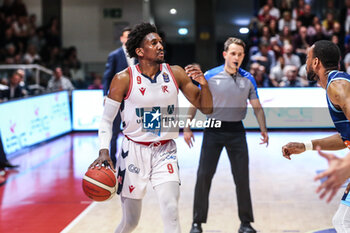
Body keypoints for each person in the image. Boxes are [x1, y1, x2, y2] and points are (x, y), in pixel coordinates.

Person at [89, 23, 213, 233]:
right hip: (133, 153)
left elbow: (207, 109)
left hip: (165, 151)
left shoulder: (176, 73)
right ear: (140, 51)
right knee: (131, 222)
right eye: (153, 42)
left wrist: (205, 85)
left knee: (171, 211)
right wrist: (103, 151)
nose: (160, 45)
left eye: (160, 42)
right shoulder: (123, 79)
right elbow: (106, 120)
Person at [184, 37, 269, 233]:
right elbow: (196, 101)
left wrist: (263, 129)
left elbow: (257, 107)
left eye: (240, 54)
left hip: (236, 131)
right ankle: (197, 223)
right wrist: (187, 127)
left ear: (243, 56)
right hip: (213, 129)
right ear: (225, 55)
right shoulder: (210, 76)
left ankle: (246, 223)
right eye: (233, 53)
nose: (236, 57)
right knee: (204, 176)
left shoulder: (248, 79)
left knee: (242, 178)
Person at [282, 40, 350, 232]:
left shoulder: (337, 87)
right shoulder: (336, 85)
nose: (305, 63)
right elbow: (346, 137)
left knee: (344, 222)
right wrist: (306, 145)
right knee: (343, 221)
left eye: (307, 58)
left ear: (316, 63)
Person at [102, 27, 134, 168]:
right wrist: (105, 94)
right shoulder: (114, 55)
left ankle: (132, 160)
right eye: (126, 37)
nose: (128, 39)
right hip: (117, 98)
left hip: (133, 100)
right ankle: (112, 160)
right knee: (114, 131)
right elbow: (107, 76)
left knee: (134, 131)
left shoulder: (139, 55)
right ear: (121, 38)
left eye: (131, 37)